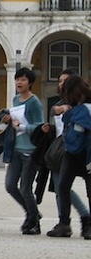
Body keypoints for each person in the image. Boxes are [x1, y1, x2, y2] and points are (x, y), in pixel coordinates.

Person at [0, 67, 44, 235]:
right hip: (16, 149)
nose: (19, 82)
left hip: (30, 151)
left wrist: (22, 126)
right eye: (18, 79)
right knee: (10, 185)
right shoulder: (15, 99)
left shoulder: (34, 102)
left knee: (25, 189)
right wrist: (8, 120)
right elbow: (14, 120)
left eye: (23, 79)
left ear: (30, 83)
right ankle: (33, 213)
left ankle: (33, 222)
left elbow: (39, 126)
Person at [47, 74, 91, 239]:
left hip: (83, 151)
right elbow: (57, 112)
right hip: (74, 152)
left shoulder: (84, 109)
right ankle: (65, 224)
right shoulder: (75, 107)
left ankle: (72, 225)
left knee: (69, 187)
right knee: (63, 186)